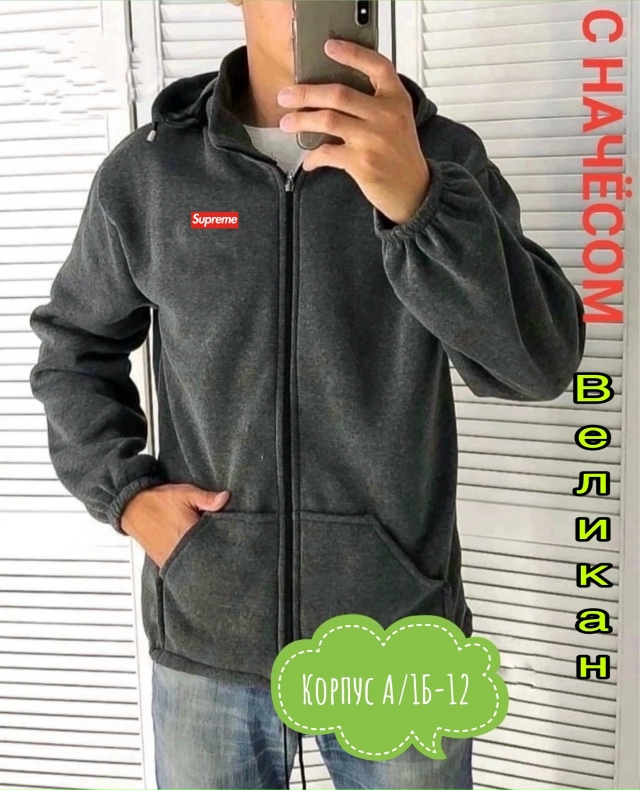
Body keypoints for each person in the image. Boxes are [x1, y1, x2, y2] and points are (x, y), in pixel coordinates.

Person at [29, 1, 586, 788]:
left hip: (397, 640)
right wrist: (126, 497)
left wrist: (420, 201)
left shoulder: (441, 158)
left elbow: (538, 364)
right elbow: (73, 350)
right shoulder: (152, 173)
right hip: (207, 637)